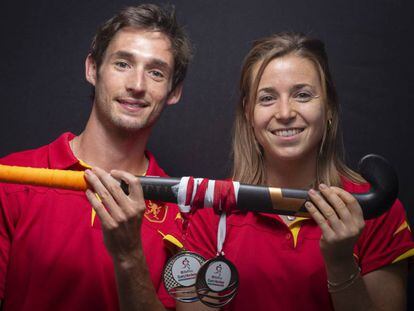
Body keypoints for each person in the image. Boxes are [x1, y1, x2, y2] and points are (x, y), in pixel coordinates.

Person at [182, 32, 414, 310]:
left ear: (328, 107)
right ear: (248, 113)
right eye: (267, 98)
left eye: (302, 95)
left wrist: (340, 263)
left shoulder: (376, 210)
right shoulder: (211, 210)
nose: (285, 112)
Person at [0, 4, 191, 310]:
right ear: (92, 69)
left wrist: (130, 255)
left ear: (174, 91)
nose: (137, 85)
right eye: (122, 64)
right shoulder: (11, 177)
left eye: (156, 72)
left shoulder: (186, 215)